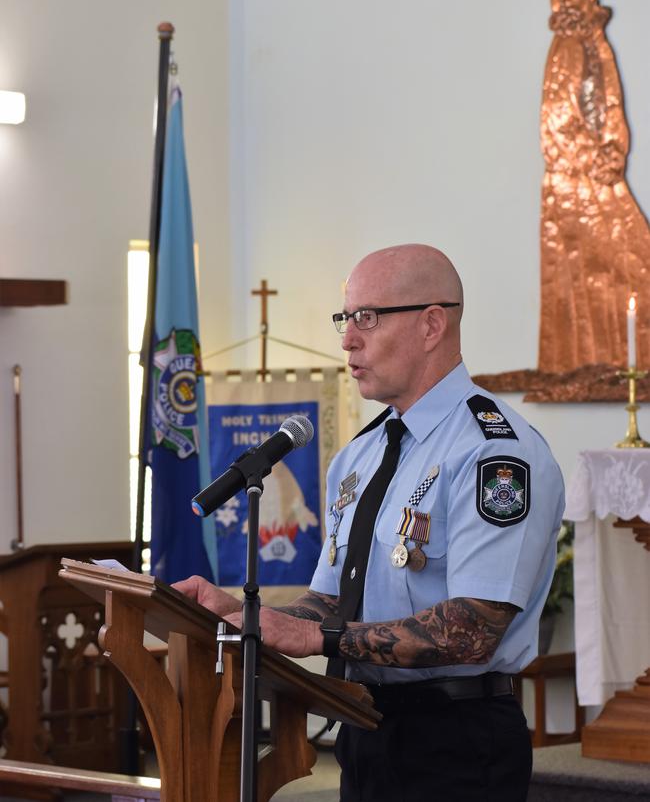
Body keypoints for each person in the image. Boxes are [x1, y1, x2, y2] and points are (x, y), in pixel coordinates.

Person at [174, 244, 565, 802]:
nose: (347, 339)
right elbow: (330, 604)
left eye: (368, 317)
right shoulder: (359, 457)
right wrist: (246, 614)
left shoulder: (494, 455)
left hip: (457, 739)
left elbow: (474, 629)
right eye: (347, 318)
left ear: (432, 324)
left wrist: (317, 635)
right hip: (363, 726)